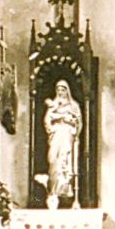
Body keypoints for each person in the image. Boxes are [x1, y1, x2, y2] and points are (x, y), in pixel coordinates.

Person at [44, 80, 81, 209]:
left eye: (63, 89)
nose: (61, 92)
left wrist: (70, 123)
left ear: (67, 91)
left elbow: (78, 122)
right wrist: (52, 125)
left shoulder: (73, 106)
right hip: (56, 135)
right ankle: (53, 191)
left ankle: (65, 190)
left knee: (65, 160)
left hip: (66, 134)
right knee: (53, 159)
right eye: (58, 89)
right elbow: (47, 120)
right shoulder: (53, 105)